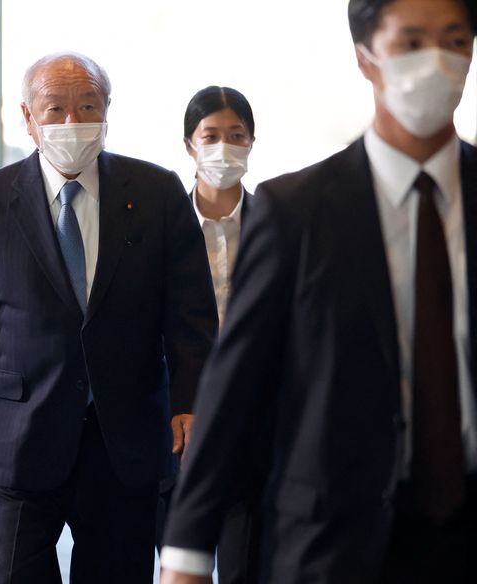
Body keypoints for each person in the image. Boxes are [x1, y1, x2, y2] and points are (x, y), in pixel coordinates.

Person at [161, 0, 477, 582]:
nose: (436, 62)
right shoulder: (296, 212)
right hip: (335, 536)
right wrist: (184, 552)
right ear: (366, 57)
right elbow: (235, 384)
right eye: (410, 43)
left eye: (455, 41)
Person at [0, 52, 217, 583]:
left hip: (125, 437)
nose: (72, 122)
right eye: (55, 108)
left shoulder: (156, 193)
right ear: (27, 116)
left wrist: (191, 401)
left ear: (108, 111)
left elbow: (191, 314)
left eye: (87, 106)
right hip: (20, 435)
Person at [159, 86, 264, 582]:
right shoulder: (162, 227)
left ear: (251, 142)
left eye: (236, 135)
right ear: (189, 145)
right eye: (211, 136)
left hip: (255, 417)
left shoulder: (276, 225)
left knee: (245, 561)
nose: (224, 147)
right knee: (179, 563)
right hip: (179, 424)